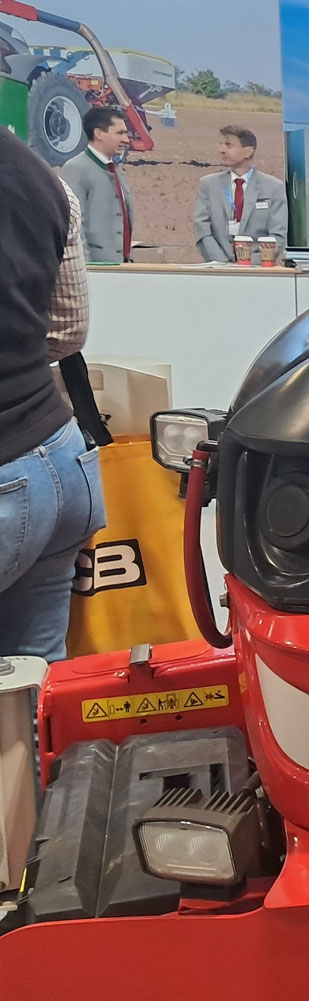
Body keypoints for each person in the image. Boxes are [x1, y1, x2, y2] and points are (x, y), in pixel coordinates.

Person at [0, 128, 105, 663]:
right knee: (35, 674)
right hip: (59, 457)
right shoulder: (44, 178)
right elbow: (68, 331)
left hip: (8, 476)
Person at [193, 125, 288, 263]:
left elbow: (278, 236)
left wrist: (248, 264)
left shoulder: (273, 187)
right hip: (219, 268)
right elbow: (203, 229)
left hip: (257, 269)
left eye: (229, 145)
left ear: (248, 152)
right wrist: (223, 264)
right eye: (221, 144)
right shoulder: (209, 184)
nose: (222, 150)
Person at [59, 107, 134, 263]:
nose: (126, 140)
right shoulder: (76, 169)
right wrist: (87, 267)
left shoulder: (117, 171)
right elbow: (74, 225)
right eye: (119, 133)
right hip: (96, 268)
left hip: (122, 268)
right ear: (99, 134)